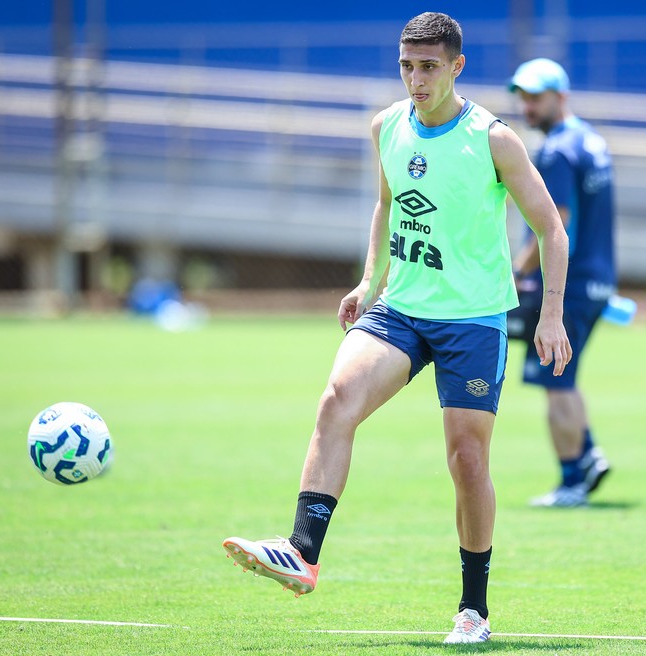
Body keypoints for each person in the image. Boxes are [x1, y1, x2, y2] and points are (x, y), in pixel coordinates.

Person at [222, 13, 571, 645]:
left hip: (473, 319)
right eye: (407, 66)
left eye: (429, 67)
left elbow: (550, 228)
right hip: (402, 308)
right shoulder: (386, 126)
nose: (415, 79)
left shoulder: (493, 140)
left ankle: (473, 608)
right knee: (337, 400)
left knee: (466, 460)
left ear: (456, 66)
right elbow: (385, 208)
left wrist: (549, 315)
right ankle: (302, 554)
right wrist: (368, 282)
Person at [507, 58, 617, 508]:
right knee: (565, 377)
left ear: (560, 95)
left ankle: (574, 480)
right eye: (523, 96)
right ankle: (588, 453)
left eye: (537, 96)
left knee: (557, 380)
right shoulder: (592, 141)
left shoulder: (556, 152)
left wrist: (517, 271)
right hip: (597, 279)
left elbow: (557, 225)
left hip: (565, 285)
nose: (527, 106)